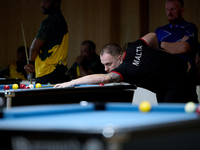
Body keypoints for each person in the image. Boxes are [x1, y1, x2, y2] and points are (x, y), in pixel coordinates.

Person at [54, 33, 198, 103]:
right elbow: (153, 36)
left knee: (169, 118)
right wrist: (159, 52)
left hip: (178, 79)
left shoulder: (126, 69)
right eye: (103, 64)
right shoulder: (135, 46)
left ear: (120, 57)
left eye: (108, 64)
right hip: (174, 78)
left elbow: (103, 78)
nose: (106, 69)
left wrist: (71, 83)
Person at [155, 0, 198, 101]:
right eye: (167, 9)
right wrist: (176, 46)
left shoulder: (190, 27)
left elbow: (184, 47)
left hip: (186, 78)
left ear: (182, 10)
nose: (169, 12)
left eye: (173, 9)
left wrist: (161, 45)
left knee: (191, 112)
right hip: (163, 78)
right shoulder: (160, 30)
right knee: (164, 113)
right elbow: (155, 53)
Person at [24, 0, 70, 84]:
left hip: (47, 72)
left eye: (46, 2)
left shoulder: (49, 22)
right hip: (60, 71)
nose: (42, 5)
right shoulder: (61, 20)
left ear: (56, 3)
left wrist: (30, 62)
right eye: (42, 2)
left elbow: (34, 47)